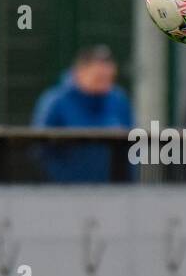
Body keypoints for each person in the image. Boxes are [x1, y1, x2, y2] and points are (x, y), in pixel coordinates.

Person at [31, 45, 133, 182]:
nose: (104, 79)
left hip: (112, 193)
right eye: (98, 77)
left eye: (108, 76)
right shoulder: (55, 102)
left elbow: (131, 149)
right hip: (64, 194)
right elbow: (39, 151)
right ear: (79, 72)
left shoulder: (119, 100)